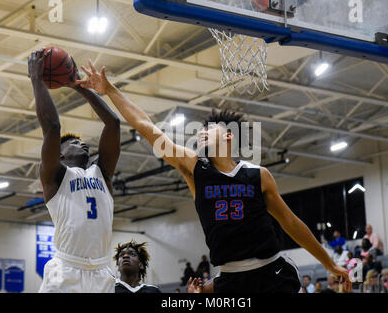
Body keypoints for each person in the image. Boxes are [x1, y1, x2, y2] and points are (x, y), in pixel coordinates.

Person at [76, 65, 352, 293]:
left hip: (273, 273)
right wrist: (110, 90)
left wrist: (329, 264)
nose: (203, 132)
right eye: (202, 129)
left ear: (229, 135)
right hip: (230, 280)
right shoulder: (196, 170)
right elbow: (147, 127)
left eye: (211, 128)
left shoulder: (258, 176)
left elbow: (291, 223)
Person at [29, 51, 121, 293]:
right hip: (67, 269)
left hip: (102, 271)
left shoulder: (102, 173)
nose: (83, 144)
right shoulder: (55, 177)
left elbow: (113, 124)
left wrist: (79, 86)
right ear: (60, 154)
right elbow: (52, 126)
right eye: (73, 143)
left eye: (82, 142)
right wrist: (36, 80)